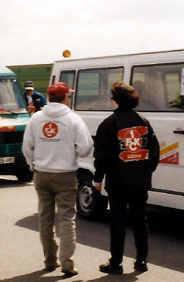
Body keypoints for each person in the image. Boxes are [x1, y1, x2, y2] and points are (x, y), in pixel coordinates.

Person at [22, 82, 93, 278]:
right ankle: (67, 263)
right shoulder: (73, 119)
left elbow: (27, 147)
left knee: (45, 218)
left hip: (42, 173)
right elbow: (86, 147)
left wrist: (33, 164)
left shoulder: (36, 118)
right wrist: (74, 153)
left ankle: (49, 260)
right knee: (66, 219)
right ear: (65, 98)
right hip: (65, 174)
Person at [93, 82, 159, 274]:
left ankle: (116, 263)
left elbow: (102, 155)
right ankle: (142, 261)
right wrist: (145, 171)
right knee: (140, 219)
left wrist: (98, 178)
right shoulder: (144, 122)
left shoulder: (108, 124)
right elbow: (154, 152)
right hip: (140, 180)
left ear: (116, 101)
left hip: (118, 181)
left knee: (118, 220)